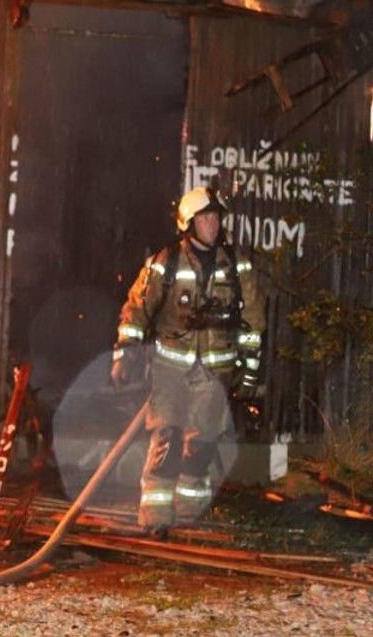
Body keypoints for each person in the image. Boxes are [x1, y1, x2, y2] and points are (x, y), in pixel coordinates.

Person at [110, 186, 266, 535]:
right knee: (166, 437)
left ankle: (189, 513)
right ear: (188, 223)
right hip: (170, 368)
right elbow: (136, 311)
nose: (214, 224)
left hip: (215, 372)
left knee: (202, 442)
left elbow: (254, 320)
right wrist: (125, 353)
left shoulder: (236, 265)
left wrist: (250, 371)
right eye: (206, 218)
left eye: (217, 217)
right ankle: (155, 517)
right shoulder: (164, 264)